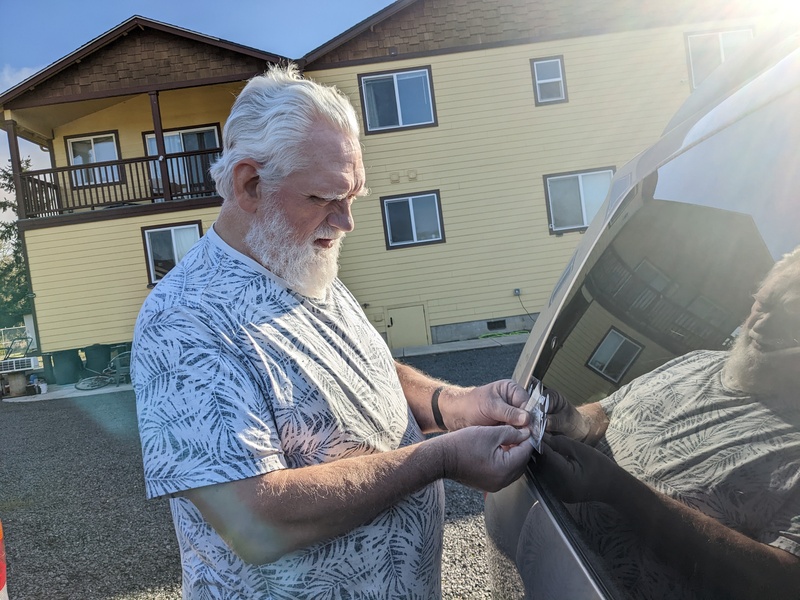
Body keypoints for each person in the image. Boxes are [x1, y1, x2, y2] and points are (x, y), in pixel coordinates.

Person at [131, 63, 534, 599]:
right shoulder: (183, 319)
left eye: (353, 198)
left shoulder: (300, 259)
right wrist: (442, 456)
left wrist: (455, 405)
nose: (345, 223)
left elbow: (361, 371)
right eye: (324, 199)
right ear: (249, 183)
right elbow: (257, 521)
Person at [536, 246, 800, 599]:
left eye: (789, 319)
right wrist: (576, 421)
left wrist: (619, 491)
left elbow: (782, 582)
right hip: (541, 557)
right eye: (761, 304)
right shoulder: (699, 361)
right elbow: (609, 409)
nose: (762, 325)